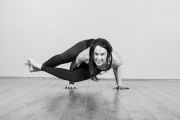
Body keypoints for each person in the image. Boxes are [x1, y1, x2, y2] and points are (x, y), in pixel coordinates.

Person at [25, 38, 129, 89]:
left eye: (102, 55)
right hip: (86, 46)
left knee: (75, 77)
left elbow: (117, 67)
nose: (98, 58)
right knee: (63, 57)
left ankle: (39, 67)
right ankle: (40, 66)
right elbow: (73, 65)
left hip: (93, 63)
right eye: (96, 54)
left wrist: (119, 84)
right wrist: (71, 83)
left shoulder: (116, 60)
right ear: (92, 53)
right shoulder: (85, 55)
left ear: (108, 54)